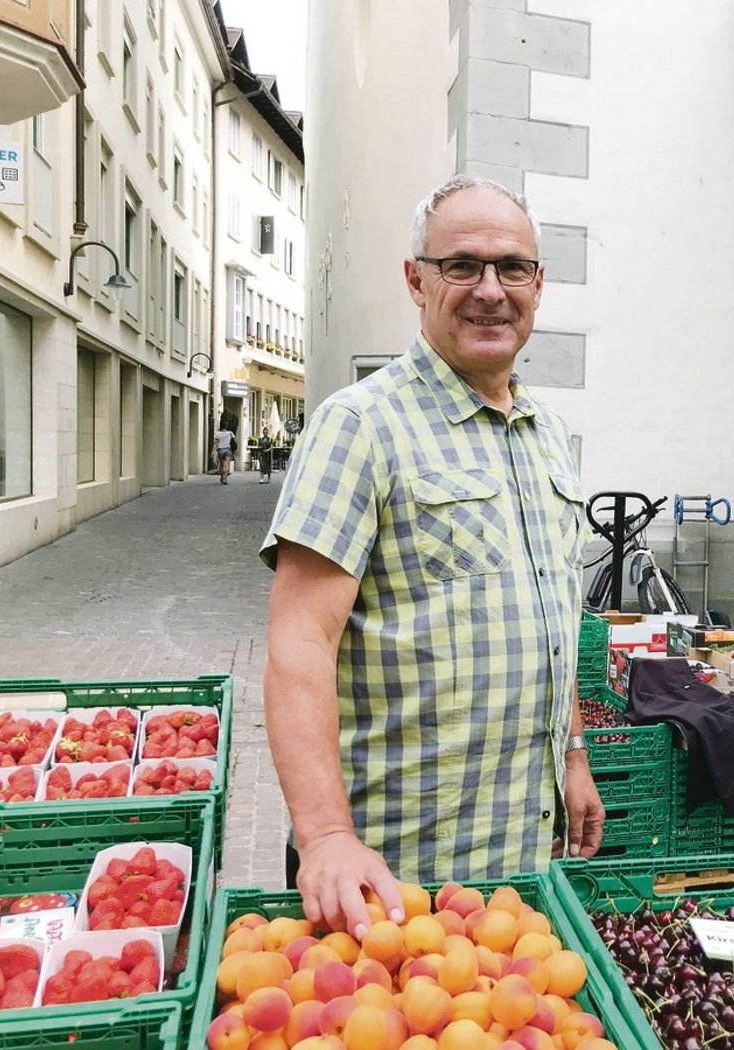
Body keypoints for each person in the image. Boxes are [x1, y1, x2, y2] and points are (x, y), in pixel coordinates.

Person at [260, 174, 603, 937]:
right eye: (463, 266)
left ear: (539, 285)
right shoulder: (359, 425)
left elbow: (554, 618)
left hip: (519, 864)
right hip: (391, 878)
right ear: (416, 279)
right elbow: (298, 644)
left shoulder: (544, 433)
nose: (491, 290)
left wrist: (574, 755)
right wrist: (325, 838)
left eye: (512, 267)